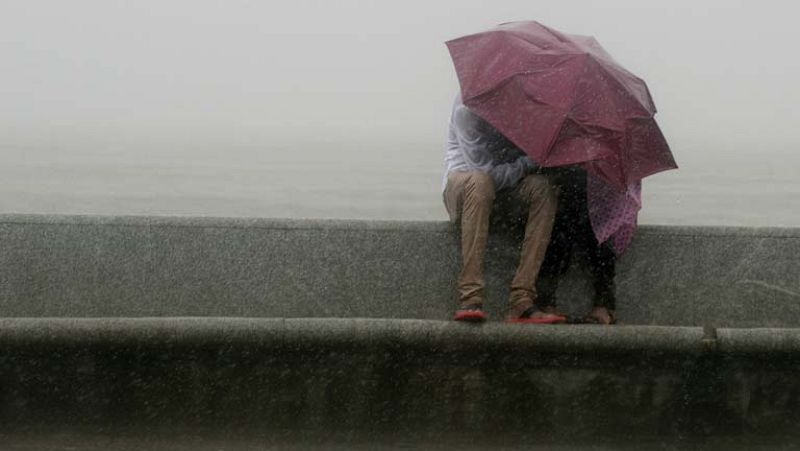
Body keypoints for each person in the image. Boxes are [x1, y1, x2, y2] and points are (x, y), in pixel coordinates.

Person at [443, 95, 564, 324]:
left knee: (543, 189)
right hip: (463, 185)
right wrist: (529, 162)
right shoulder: (466, 107)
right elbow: (486, 173)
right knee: (480, 182)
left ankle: (522, 299)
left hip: (504, 191)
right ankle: (470, 296)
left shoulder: (524, 108)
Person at [535, 168, 617, 325]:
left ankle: (604, 303)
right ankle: (604, 302)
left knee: (594, 217)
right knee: (567, 210)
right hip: (567, 192)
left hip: (602, 194)